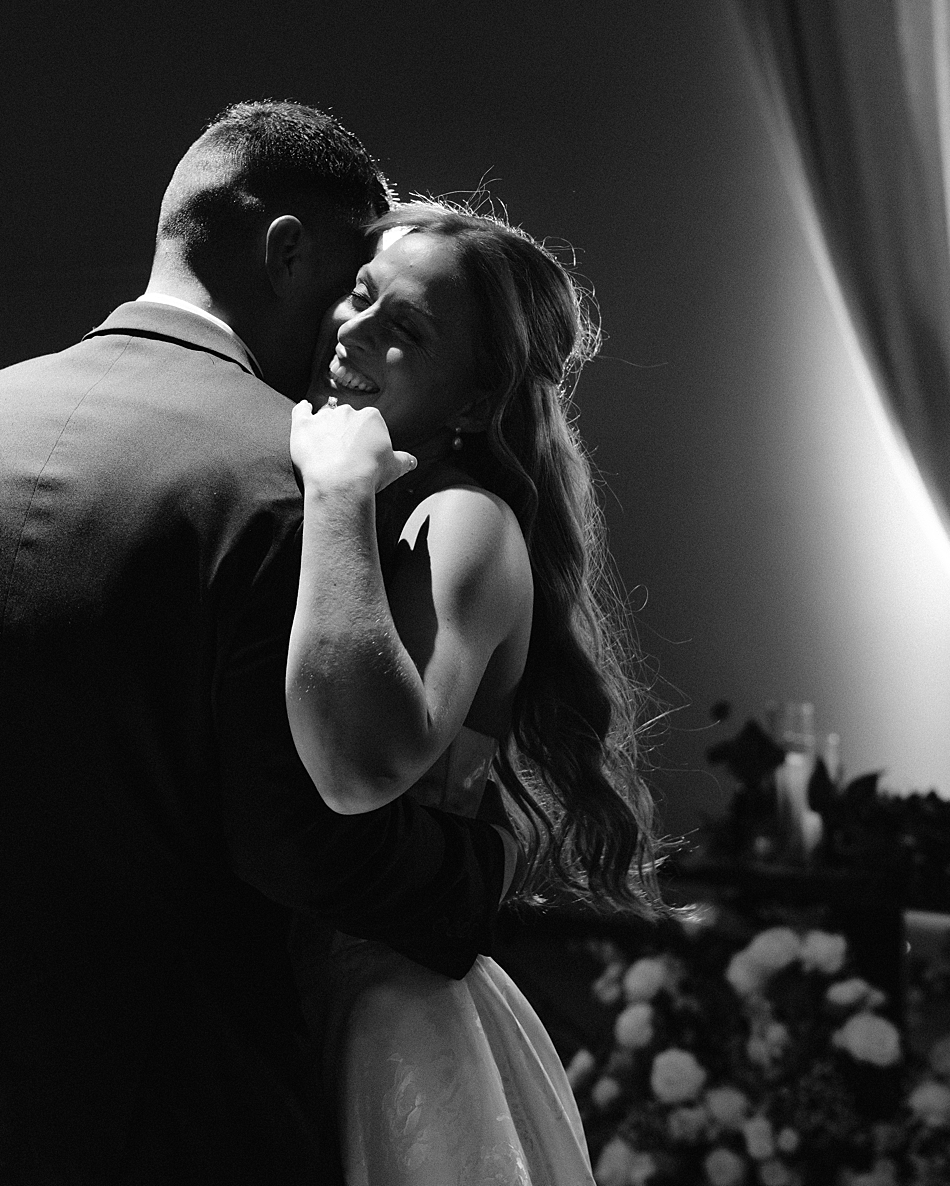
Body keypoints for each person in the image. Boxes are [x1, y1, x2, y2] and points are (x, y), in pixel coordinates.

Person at [0, 101, 517, 1185]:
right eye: (345, 283)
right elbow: (298, 843)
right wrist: (485, 868)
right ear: (286, 252)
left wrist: (11, 767)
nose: (340, 329)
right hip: (168, 1107)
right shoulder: (290, 483)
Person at [287, 204, 663, 1184]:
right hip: (299, 991)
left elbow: (366, 763)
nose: (353, 332)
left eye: (405, 331)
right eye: (359, 295)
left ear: (474, 398)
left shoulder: (463, 519)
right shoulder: (389, 497)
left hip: (386, 1014)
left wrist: (336, 494)